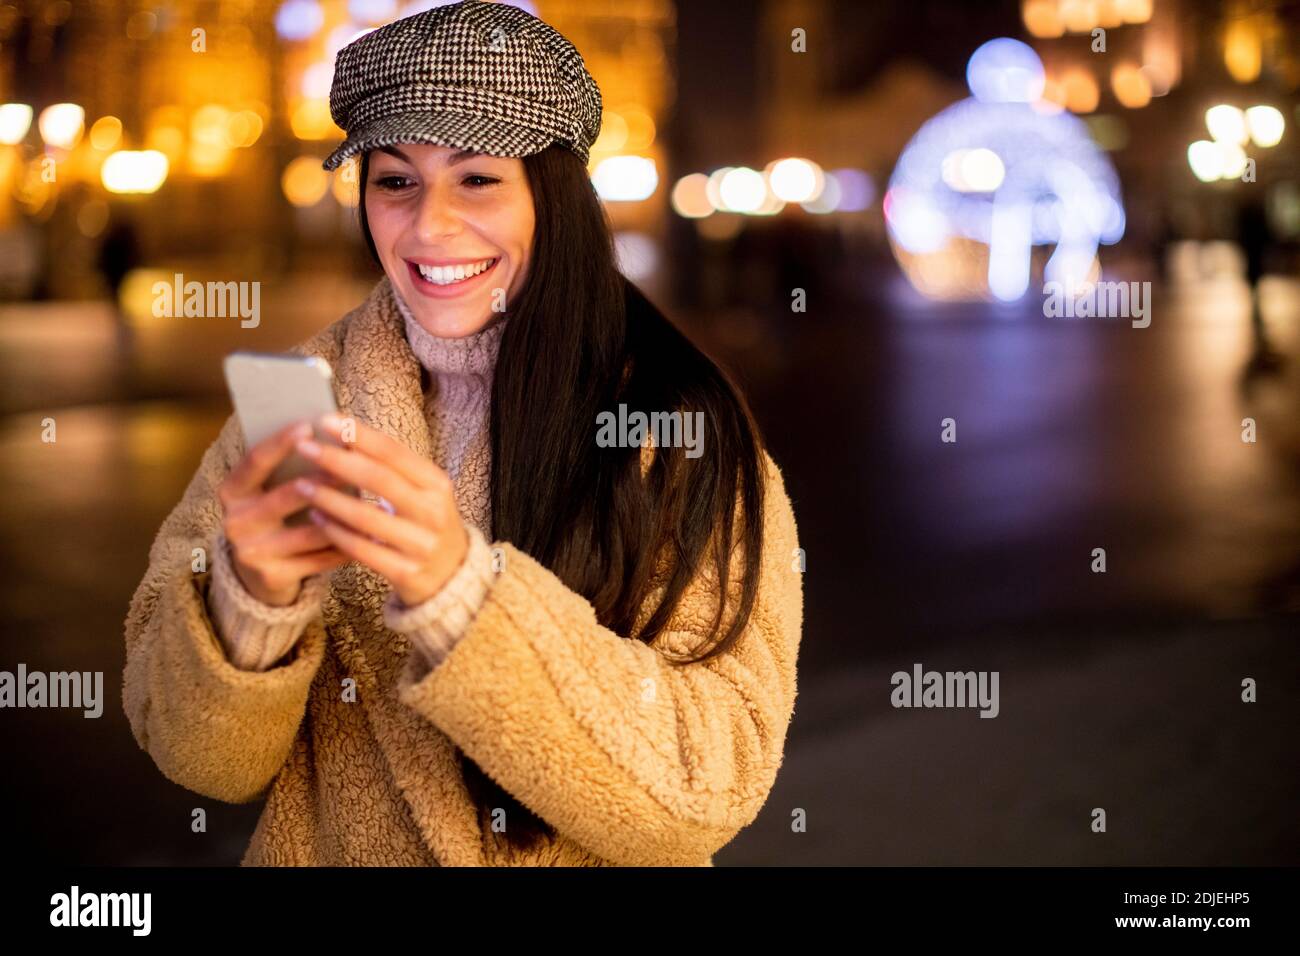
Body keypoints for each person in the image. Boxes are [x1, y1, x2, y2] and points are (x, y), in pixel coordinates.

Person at [122, 1, 803, 867]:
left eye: (477, 178)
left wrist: (462, 598)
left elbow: (718, 785)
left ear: (551, 196)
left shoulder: (673, 422)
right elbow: (200, 759)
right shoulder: (306, 401)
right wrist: (246, 605)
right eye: (394, 180)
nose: (429, 225)